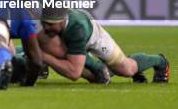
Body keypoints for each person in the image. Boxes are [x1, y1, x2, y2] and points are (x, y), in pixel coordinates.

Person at [39, 7, 170, 83]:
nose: (46, 27)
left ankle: (160, 61)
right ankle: (99, 69)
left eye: (51, 24)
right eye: (44, 23)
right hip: (72, 39)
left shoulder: (77, 28)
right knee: (96, 78)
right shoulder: (48, 24)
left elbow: (74, 73)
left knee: (126, 69)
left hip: (94, 37)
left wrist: (44, 58)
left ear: (62, 21)